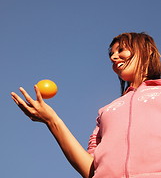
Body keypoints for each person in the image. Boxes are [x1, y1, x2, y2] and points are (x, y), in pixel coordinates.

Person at [11, 32, 161, 178]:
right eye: (111, 54)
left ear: (147, 51)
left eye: (121, 50)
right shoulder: (107, 111)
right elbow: (90, 170)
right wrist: (51, 120)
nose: (114, 57)